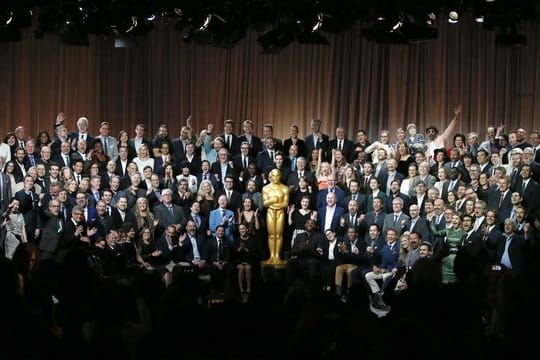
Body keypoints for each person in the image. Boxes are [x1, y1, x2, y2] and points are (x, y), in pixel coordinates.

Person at [262, 168, 289, 265]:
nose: (275, 177)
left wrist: (273, 204)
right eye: (273, 175)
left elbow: (285, 204)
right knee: (271, 235)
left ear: (280, 176)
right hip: (270, 212)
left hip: (280, 212)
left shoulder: (285, 188)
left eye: (277, 175)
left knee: (278, 235)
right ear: (270, 176)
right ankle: (271, 256)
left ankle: (277, 256)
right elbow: (265, 203)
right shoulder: (266, 188)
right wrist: (273, 201)